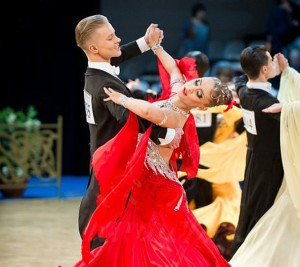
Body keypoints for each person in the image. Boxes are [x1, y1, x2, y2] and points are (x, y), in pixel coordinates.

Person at [71, 42, 233, 266]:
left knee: (157, 241)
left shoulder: (176, 117)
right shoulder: (178, 90)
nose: (191, 88)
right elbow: (174, 70)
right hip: (145, 179)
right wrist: (156, 47)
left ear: (202, 107)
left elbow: (149, 111)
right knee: (141, 237)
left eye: (198, 94)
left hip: (157, 187)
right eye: (196, 83)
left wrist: (123, 100)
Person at [74, 14, 182, 250]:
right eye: (111, 37)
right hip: (112, 168)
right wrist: (168, 136)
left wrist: (146, 42)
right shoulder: (105, 85)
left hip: (106, 160)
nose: (118, 40)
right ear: (93, 47)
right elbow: (131, 118)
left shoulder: (98, 72)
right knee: (107, 232)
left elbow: (119, 54)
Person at [230, 53, 300, 267]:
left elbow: (240, 81)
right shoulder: (269, 104)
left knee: (249, 210)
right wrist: (289, 108)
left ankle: (239, 252)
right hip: (272, 167)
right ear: (264, 70)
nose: (274, 63)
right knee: (264, 215)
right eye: (271, 61)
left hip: (252, 160)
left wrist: (282, 71)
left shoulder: (246, 91)